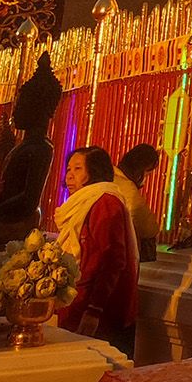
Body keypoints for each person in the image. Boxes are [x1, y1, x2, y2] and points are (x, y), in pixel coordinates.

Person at [54, 146, 138, 353]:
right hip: (76, 298)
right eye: (69, 169)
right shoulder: (83, 202)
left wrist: (95, 309)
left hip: (96, 306)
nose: (70, 176)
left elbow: (112, 258)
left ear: (94, 171)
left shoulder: (105, 202)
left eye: (78, 169)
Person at [114, 145, 162, 261]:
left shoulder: (109, 176)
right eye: (147, 173)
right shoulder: (128, 189)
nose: (146, 178)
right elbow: (147, 226)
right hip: (119, 249)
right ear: (140, 168)